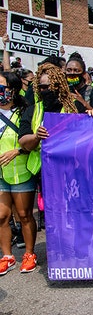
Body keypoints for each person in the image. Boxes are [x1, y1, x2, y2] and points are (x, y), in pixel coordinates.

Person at [0, 71, 36, 275]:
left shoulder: (25, 112)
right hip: (1, 175)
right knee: (2, 216)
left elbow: (32, 142)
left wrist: (18, 151)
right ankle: (7, 256)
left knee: (24, 215)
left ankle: (29, 254)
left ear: (12, 90)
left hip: (21, 172)